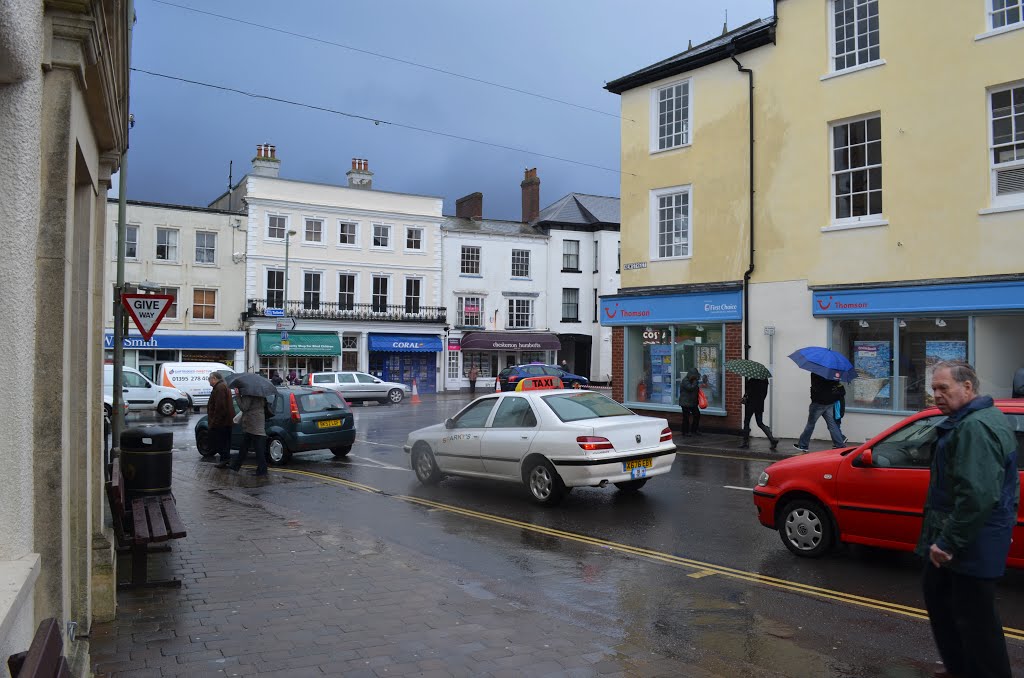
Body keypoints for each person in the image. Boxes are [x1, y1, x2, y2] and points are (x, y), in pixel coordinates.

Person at [916, 361, 1018, 678]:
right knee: (948, 606)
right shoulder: (977, 419)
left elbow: (977, 495)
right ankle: (961, 667)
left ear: (968, 388)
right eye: (933, 389)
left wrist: (948, 542)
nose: (936, 396)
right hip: (971, 540)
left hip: (971, 543)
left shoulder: (975, 427)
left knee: (976, 621)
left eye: (943, 388)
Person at [793, 372, 847, 452]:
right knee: (832, 424)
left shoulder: (816, 372)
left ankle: (803, 445)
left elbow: (816, 388)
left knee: (810, 424)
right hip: (829, 402)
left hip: (818, 403)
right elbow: (835, 385)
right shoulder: (832, 372)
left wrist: (813, 394)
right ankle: (840, 445)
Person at [229, 393, 269, 477]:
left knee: (258, 449)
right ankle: (236, 466)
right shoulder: (260, 395)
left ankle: (262, 470)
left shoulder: (249, 394)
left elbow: (244, 407)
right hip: (257, 421)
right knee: (245, 447)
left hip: (253, 423)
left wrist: (238, 396)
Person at [740, 377, 778, 450]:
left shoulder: (751, 380)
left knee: (746, 422)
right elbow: (765, 394)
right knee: (760, 423)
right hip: (759, 404)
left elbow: (748, 392)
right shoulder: (765, 380)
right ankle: (772, 440)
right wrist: (760, 400)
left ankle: (745, 443)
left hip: (750, 404)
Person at [207, 372, 234, 468]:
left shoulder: (219, 388)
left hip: (222, 422)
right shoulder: (222, 386)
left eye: (209, 379)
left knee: (220, 441)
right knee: (224, 441)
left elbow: (220, 407)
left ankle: (225, 459)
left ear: (214, 378)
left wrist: (214, 422)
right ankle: (225, 459)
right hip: (225, 421)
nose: (208, 381)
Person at [677, 368, 701, 436]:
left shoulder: (694, 381)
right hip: (685, 403)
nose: (696, 377)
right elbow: (690, 388)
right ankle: (685, 432)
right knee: (686, 418)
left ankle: (694, 430)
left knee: (697, 415)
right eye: (695, 376)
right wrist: (695, 381)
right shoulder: (685, 380)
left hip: (693, 402)